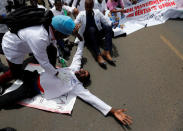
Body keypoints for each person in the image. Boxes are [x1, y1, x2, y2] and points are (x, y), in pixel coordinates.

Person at [0, 41, 133, 126]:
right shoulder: (73, 69)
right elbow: (78, 56)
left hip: (32, 88)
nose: (81, 71)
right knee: (13, 71)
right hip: (35, 75)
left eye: (83, 74)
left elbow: (93, 99)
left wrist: (113, 110)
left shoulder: (75, 86)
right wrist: (81, 39)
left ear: (81, 80)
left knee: (6, 100)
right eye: (83, 70)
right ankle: (2, 66)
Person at [0, 14, 81, 94]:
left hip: (23, 42)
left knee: (52, 49)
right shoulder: (40, 38)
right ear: (57, 32)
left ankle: (51, 71)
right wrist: (57, 74)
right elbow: (44, 62)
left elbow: (53, 42)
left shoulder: (50, 26)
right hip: (11, 47)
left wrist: (58, 57)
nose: (64, 38)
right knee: (14, 73)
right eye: (64, 36)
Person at [75, 0, 114, 68]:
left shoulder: (97, 12)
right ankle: (98, 55)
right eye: (87, 7)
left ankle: (106, 51)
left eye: (90, 7)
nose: (88, 8)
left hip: (97, 34)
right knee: (91, 30)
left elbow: (105, 21)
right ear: (85, 6)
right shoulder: (81, 14)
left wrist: (111, 25)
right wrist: (76, 26)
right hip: (88, 37)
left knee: (108, 27)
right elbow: (74, 23)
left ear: (93, 6)